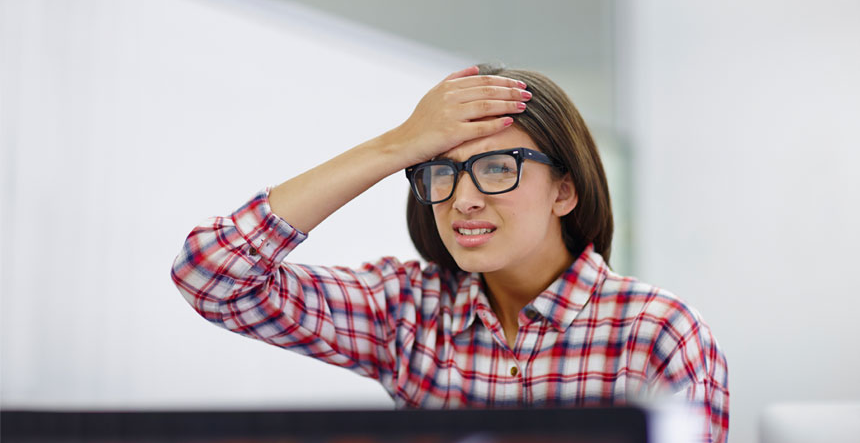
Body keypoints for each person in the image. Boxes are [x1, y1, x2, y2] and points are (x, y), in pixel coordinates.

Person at [171, 64, 729, 442]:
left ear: (564, 189)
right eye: (440, 171)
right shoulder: (408, 310)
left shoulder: (656, 332)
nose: (462, 200)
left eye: (495, 168)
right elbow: (211, 276)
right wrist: (397, 146)